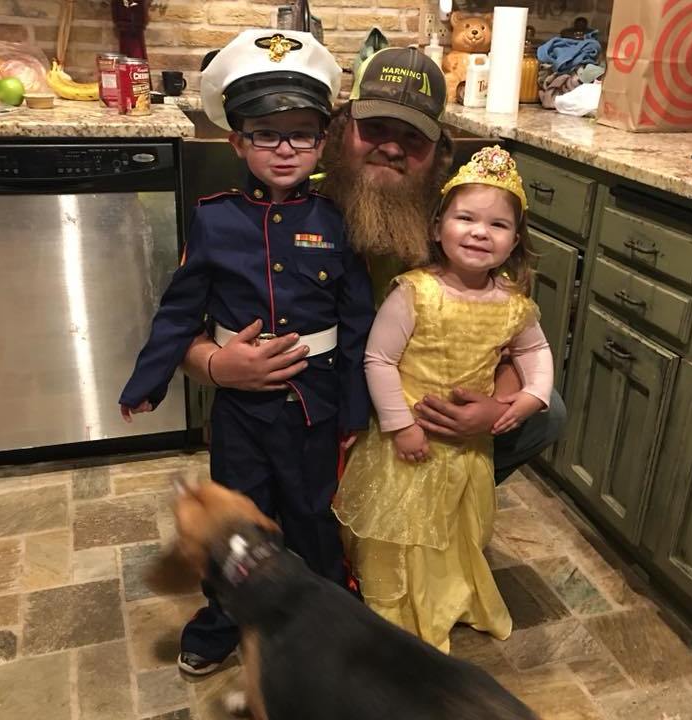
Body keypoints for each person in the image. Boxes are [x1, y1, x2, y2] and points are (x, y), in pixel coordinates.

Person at [181, 46, 566, 482]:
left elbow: (507, 335)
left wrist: (494, 409)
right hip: (310, 400)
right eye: (375, 128)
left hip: (416, 407)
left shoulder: (461, 225)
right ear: (340, 130)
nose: (392, 147)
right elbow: (184, 326)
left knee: (548, 411)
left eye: (413, 137)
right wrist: (215, 366)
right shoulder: (281, 201)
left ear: (439, 151)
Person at [118, 29, 375, 675]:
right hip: (240, 413)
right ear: (237, 141)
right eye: (266, 134)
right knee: (237, 522)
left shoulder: (338, 219)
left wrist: (354, 410)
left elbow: (357, 322)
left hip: (315, 405)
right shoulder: (215, 217)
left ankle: (326, 614)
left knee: (312, 516)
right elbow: (181, 308)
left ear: (323, 141)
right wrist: (148, 381)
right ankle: (224, 618)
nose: (285, 149)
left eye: (302, 134)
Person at [333, 146, 554, 652]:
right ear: (437, 228)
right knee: (400, 529)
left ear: (515, 241)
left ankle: (445, 595)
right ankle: (395, 602)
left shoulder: (513, 303)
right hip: (407, 444)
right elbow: (379, 360)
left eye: (498, 225)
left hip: (464, 450)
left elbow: (534, 352)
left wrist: (529, 398)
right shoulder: (415, 292)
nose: (480, 232)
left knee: (456, 529)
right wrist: (401, 426)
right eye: (466, 218)